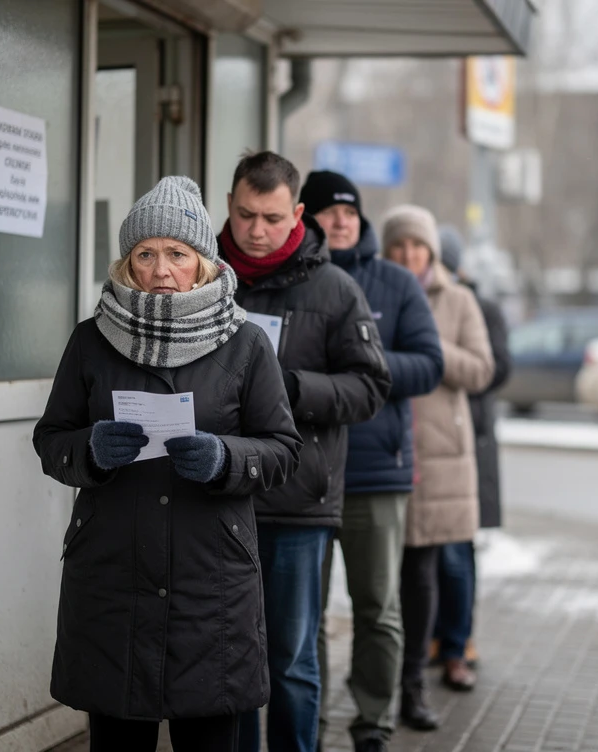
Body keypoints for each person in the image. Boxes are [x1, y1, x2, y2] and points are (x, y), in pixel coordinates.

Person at [33, 176, 302, 752]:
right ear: (126, 263)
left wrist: (226, 457)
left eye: (177, 254)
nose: (161, 270)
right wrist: (89, 452)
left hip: (211, 585)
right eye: (146, 254)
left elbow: (283, 450)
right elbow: (51, 438)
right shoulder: (90, 341)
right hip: (112, 576)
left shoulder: (246, 343)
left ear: (202, 264)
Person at [219, 152, 392, 752]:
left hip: (296, 503)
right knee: (228, 658)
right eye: (244, 215)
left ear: (296, 213)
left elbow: (372, 387)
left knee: (290, 661)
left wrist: (291, 388)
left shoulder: (335, 288)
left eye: (270, 217)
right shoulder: (203, 275)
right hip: (215, 494)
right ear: (229, 205)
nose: (256, 230)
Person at [301, 171, 444, 752]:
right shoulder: (294, 283)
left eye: (350, 211)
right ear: (304, 217)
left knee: (378, 608)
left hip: (375, 473)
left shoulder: (395, 283)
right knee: (300, 614)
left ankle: (373, 722)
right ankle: (305, 720)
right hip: (301, 472)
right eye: (329, 211)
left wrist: (364, 364)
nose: (342, 220)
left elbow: (430, 364)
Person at [380, 206, 493, 731]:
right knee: (387, 579)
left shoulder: (460, 299)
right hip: (387, 450)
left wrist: (431, 346)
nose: (408, 256)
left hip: (442, 457)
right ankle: (386, 679)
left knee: (431, 571)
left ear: (431, 251)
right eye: (399, 246)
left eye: (417, 247)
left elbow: (481, 369)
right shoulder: (375, 292)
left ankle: (427, 673)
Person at [429, 225, 513, 691]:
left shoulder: (482, 307)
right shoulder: (414, 300)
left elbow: (497, 367)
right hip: (426, 444)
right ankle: (435, 638)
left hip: (467, 442)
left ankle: (460, 640)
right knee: (426, 555)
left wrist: (442, 357)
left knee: (458, 551)